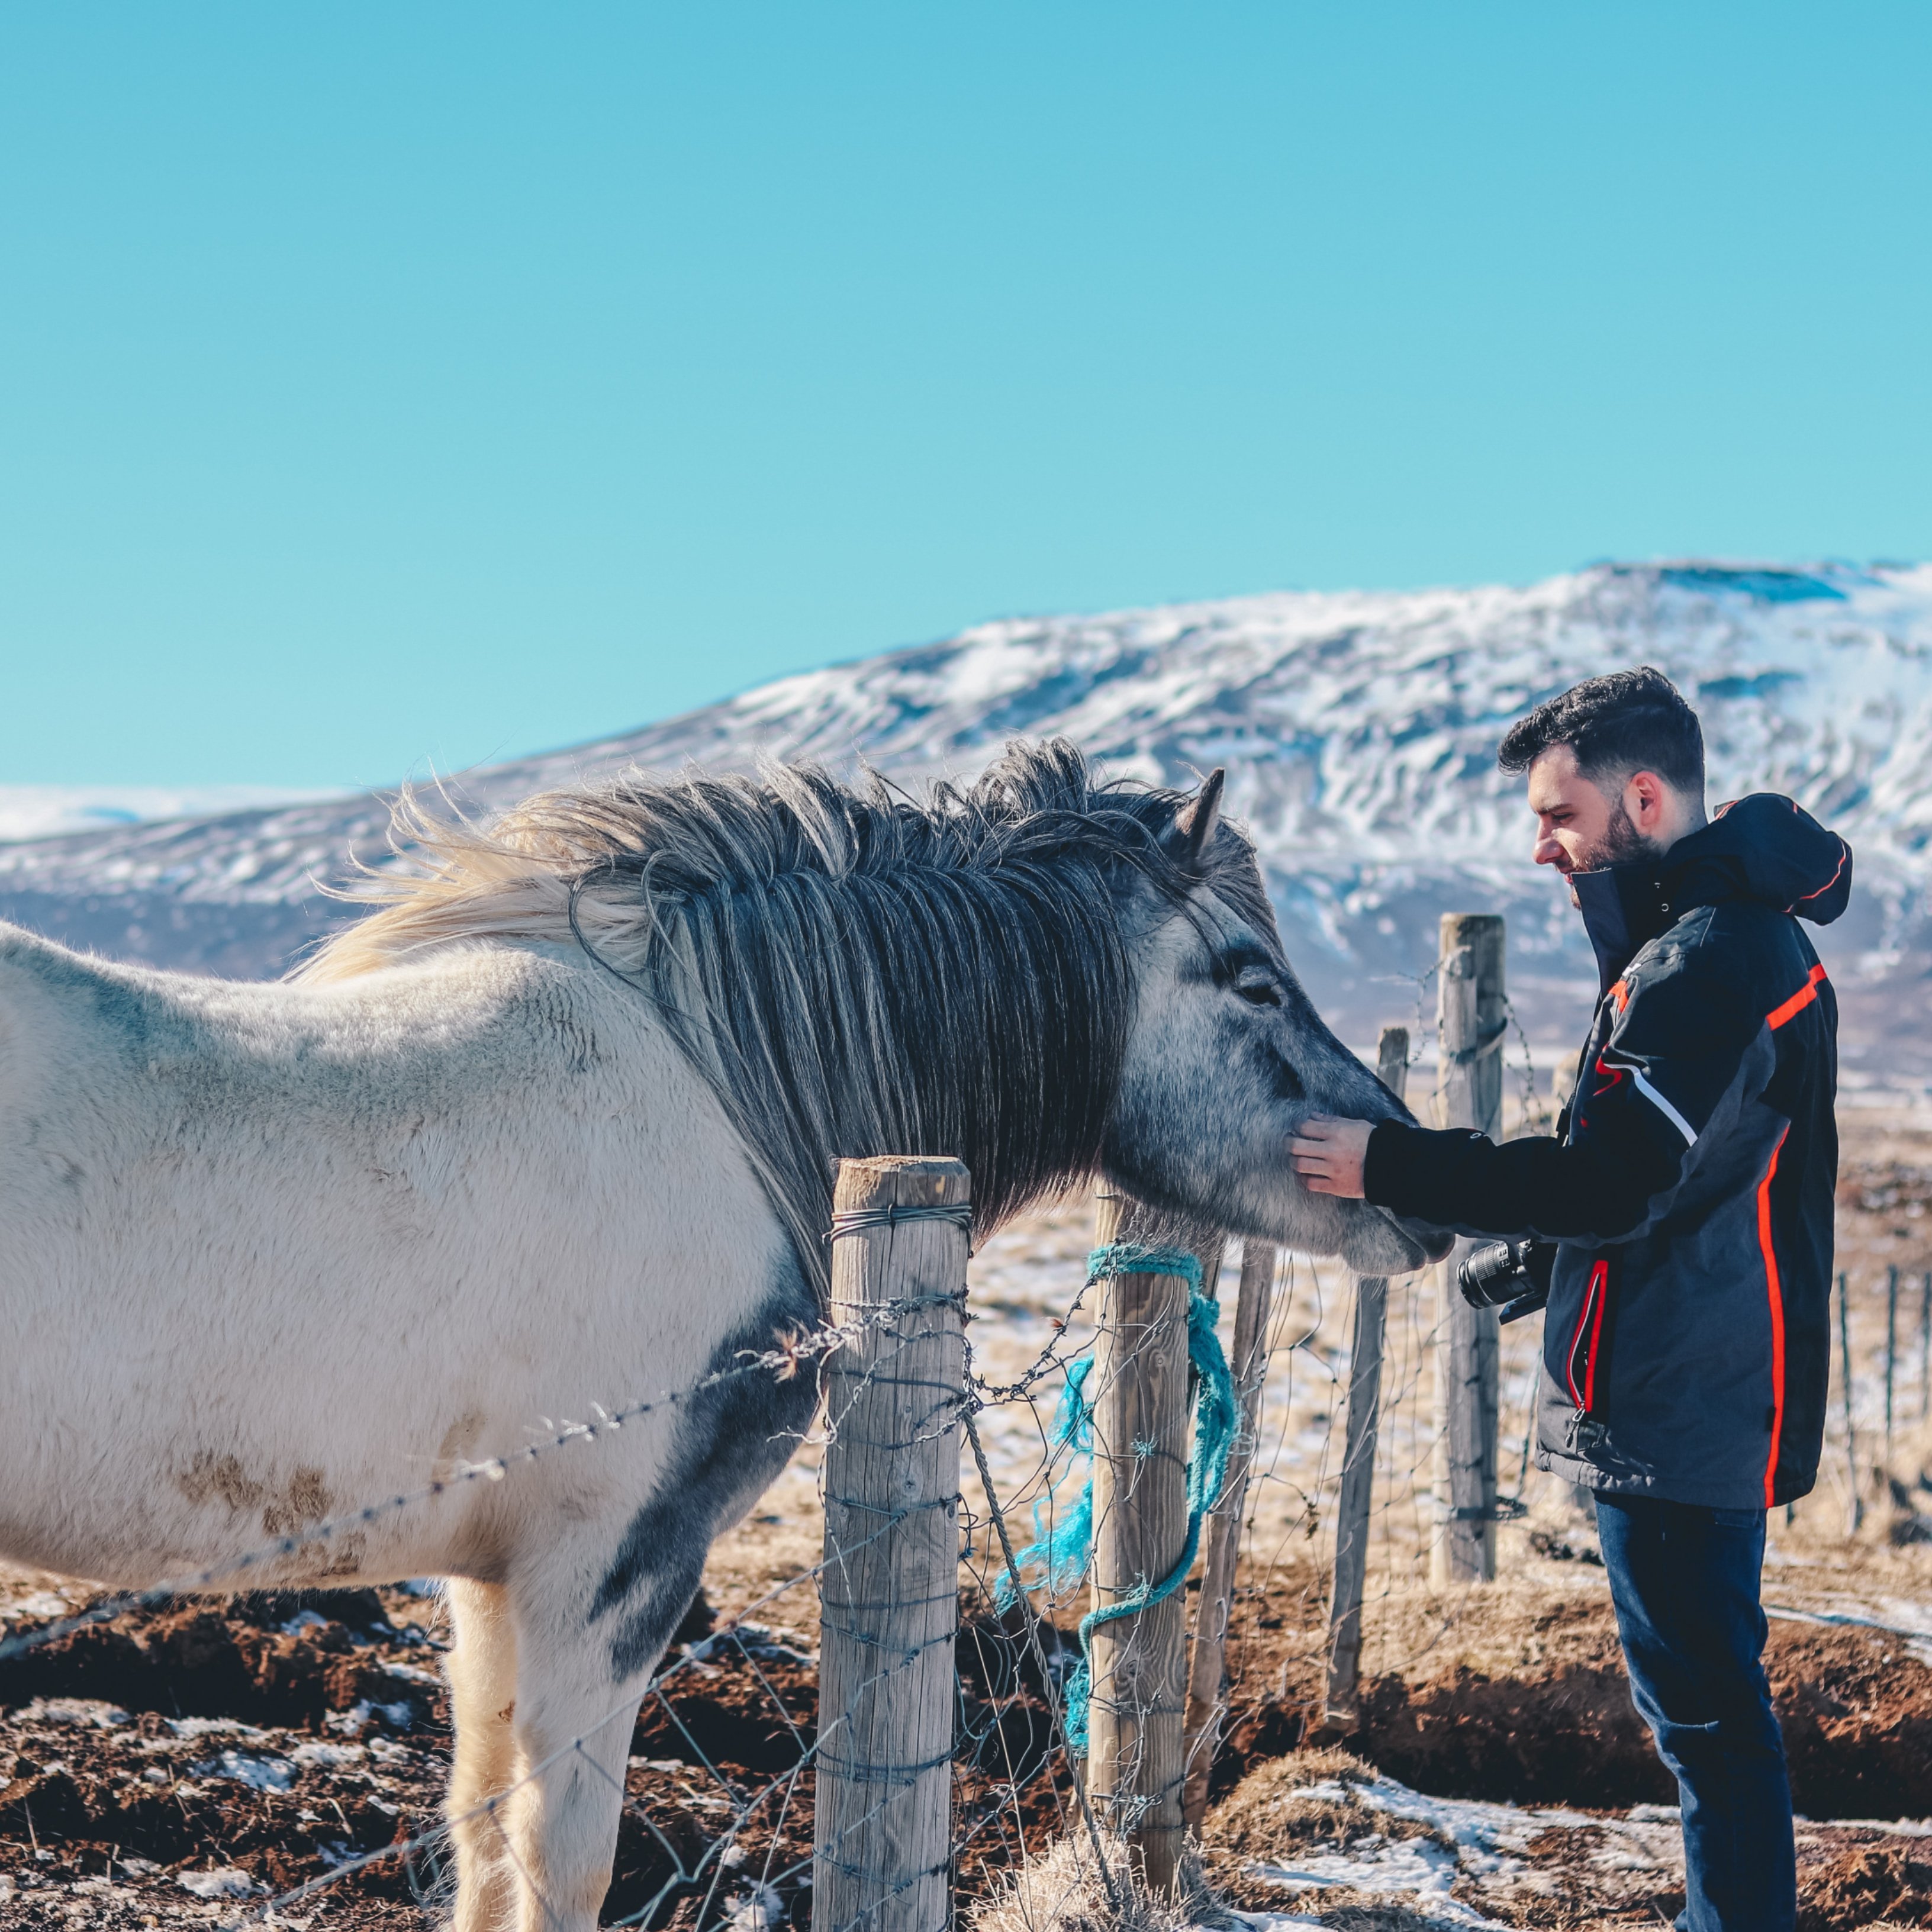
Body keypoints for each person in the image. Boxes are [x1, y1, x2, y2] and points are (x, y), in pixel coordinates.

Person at [1290, 666, 1852, 1932]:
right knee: (1704, 1715)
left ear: (1642, 799)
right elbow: (1687, 1177)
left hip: (1681, 1402)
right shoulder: (1717, 940)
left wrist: (1388, 1162)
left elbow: (1607, 1178)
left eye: (1559, 815)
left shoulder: (1706, 961)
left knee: (1706, 1724)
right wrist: (1534, 1267)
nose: (1540, 847)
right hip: (1696, 1379)